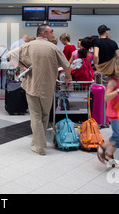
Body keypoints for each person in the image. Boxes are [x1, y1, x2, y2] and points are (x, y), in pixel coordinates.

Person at [8, 24, 72, 156]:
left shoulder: (28, 46)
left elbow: (10, 56)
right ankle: (40, 143)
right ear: (44, 34)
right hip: (48, 88)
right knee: (44, 116)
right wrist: (68, 78)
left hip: (31, 86)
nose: (53, 35)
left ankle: (39, 145)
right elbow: (67, 65)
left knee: (35, 116)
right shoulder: (54, 48)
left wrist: (23, 67)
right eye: (51, 32)